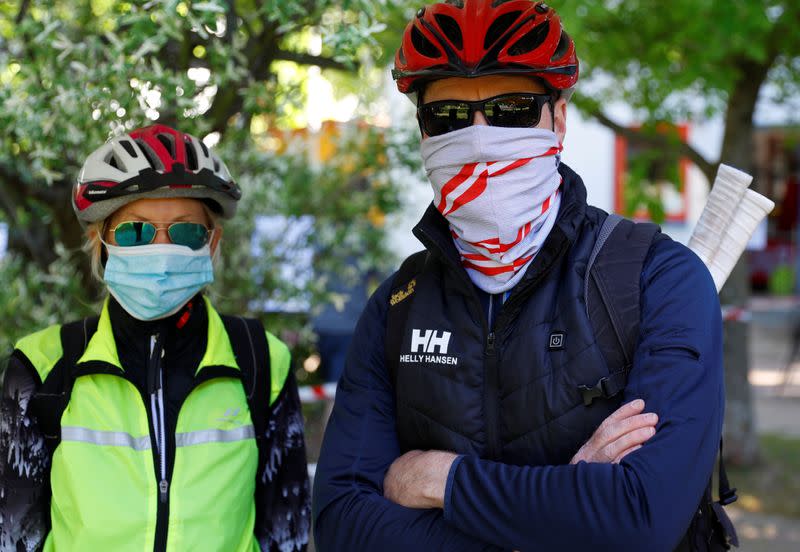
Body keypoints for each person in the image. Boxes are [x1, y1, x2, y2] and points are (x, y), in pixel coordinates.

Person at [313, 2, 726, 551]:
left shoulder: (659, 279)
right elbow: (341, 523)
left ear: (559, 117)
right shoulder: (398, 304)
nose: (480, 138)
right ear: (422, 131)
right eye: (450, 118)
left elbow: (641, 521)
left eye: (512, 108)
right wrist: (568, 505)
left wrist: (442, 480)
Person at [0, 125, 310, 551]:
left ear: (212, 242)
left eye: (185, 232)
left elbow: (287, 536)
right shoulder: (41, 364)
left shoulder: (262, 361)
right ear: (101, 241)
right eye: (135, 231)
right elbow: (13, 538)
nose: (161, 249)